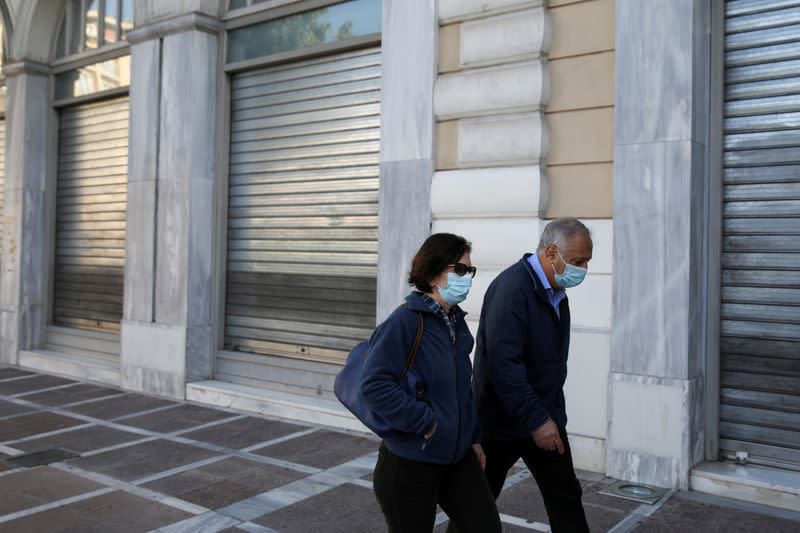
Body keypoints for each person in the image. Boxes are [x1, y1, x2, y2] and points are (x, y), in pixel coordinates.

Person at [360, 233, 501, 533]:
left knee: (485, 527)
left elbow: (462, 389)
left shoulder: (457, 323)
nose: (468, 277)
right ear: (435, 272)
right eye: (460, 270)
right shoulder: (405, 321)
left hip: (457, 456)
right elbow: (374, 385)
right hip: (410, 462)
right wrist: (426, 422)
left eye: (470, 271)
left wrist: (473, 437)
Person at [472, 218, 593, 533]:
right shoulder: (512, 290)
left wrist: (548, 415)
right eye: (578, 261)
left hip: (542, 414)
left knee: (565, 495)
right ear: (552, 252)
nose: (583, 269)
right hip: (501, 423)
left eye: (587, 262)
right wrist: (537, 419)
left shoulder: (555, 290)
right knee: (476, 504)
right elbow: (503, 365)